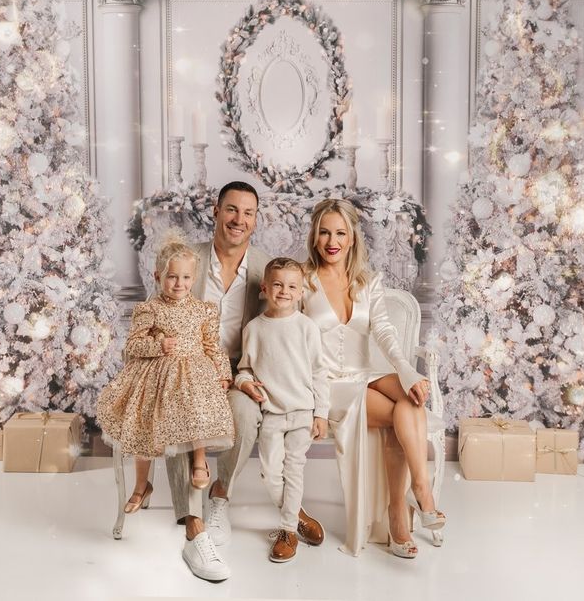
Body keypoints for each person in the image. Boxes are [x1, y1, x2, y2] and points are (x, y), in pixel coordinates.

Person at [165, 181, 324, 581]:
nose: (239, 219)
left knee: (246, 411)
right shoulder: (190, 259)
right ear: (216, 211)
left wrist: (243, 379)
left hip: (242, 370)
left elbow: (285, 327)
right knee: (183, 405)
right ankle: (191, 519)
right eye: (232, 209)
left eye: (248, 212)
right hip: (188, 365)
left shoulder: (266, 269)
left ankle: (220, 494)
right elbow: (163, 309)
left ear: (256, 219)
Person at [301, 198, 446, 559]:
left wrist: (406, 369)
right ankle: (405, 509)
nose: (332, 241)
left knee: (409, 396)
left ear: (352, 238)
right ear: (314, 237)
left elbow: (383, 331)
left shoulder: (368, 281)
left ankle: (417, 493)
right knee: (402, 412)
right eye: (324, 232)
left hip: (364, 373)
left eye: (340, 233)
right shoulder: (301, 280)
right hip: (329, 384)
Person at [96, 233, 234, 530]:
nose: (179, 284)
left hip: (193, 375)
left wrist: (223, 373)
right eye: (172, 277)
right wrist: (159, 346)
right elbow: (132, 345)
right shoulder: (150, 309)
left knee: (196, 408)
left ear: (194, 278)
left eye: (186, 277)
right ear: (158, 276)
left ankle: (200, 460)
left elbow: (212, 345)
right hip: (154, 377)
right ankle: (141, 484)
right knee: (143, 425)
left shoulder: (203, 310)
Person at [235, 257, 329, 563]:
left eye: (292, 286)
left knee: (293, 470)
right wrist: (245, 382)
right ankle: (298, 514)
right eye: (277, 284)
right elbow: (244, 369)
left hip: (302, 412)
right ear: (264, 288)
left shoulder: (307, 328)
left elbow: (319, 373)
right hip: (272, 413)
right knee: (270, 473)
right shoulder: (254, 329)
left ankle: (288, 531)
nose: (284, 291)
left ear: (301, 292)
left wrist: (321, 413)